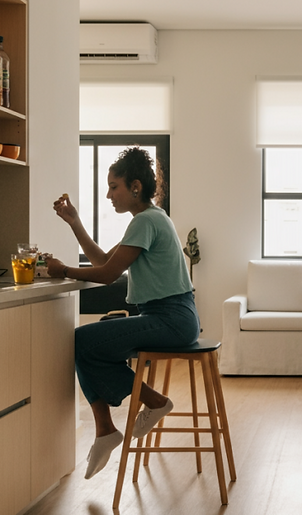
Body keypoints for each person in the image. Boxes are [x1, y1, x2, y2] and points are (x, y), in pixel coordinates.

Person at [46, 147, 199, 479]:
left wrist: (63, 270)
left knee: (82, 341)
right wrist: (75, 223)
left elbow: (107, 275)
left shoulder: (146, 221)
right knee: (86, 345)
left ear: (135, 187)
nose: (109, 195)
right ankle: (105, 430)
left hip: (171, 318)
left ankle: (151, 403)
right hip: (170, 317)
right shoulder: (149, 219)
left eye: (114, 187)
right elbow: (104, 261)